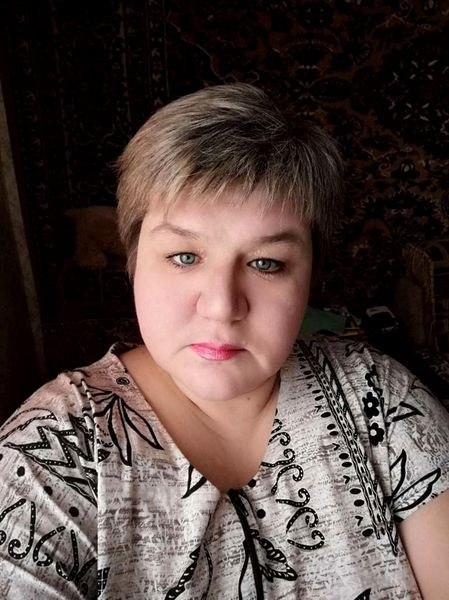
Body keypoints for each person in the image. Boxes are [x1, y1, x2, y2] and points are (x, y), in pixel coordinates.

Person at [0, 83, 448, 600]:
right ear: (134, 262)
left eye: (266, 263)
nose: (222, 305)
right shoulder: (47, 457)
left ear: (310, 278)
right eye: (184, 257)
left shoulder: (380, 397)